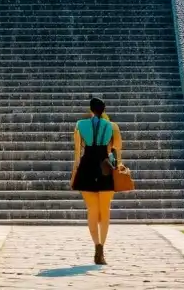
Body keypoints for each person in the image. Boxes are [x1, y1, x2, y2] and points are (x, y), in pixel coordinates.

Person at [70, 96, 123, 266]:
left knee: (92, 210)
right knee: (105, 211)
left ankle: (97, 245)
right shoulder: (111, 126)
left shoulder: (80, 125)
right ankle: (102, 250)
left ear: (91, 109)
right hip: (104, 167)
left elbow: (77, 154)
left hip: (86, 167)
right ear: (104, 109)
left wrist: (74, 172)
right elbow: (117, 151)